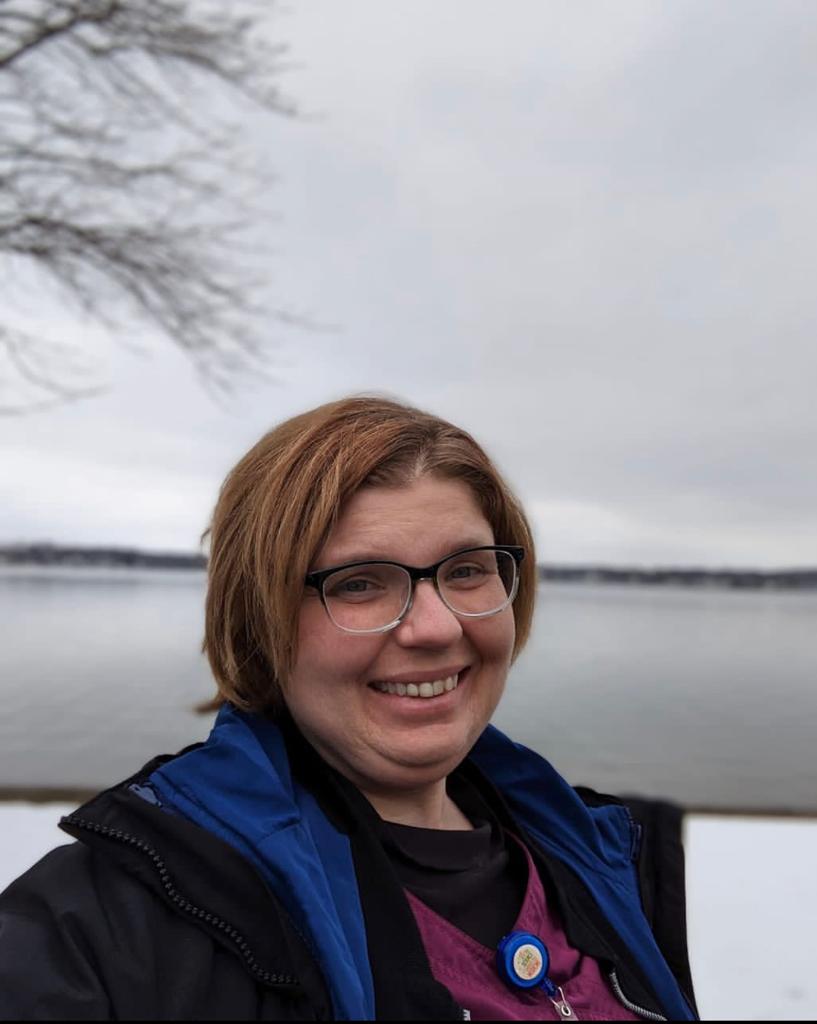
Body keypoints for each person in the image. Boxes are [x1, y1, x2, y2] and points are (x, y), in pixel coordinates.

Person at [0, 396, 699, 1021]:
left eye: (466, 571)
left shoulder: (601, 859)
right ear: (258, 620)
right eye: (359, 583)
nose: (436, 627)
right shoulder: (111, 928)